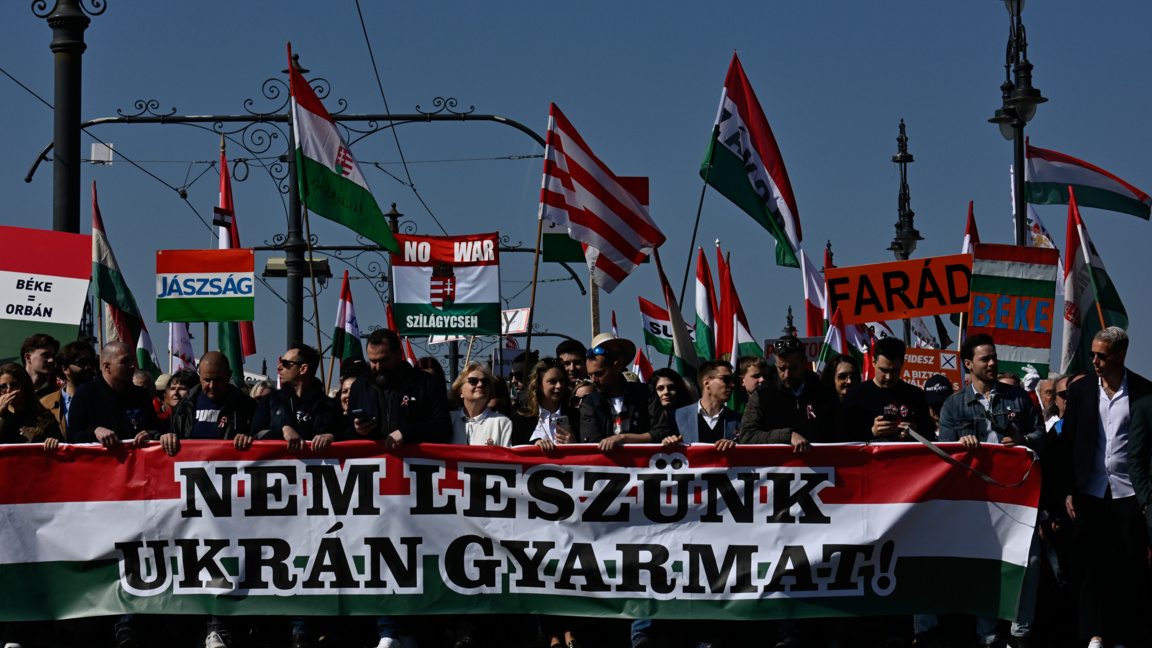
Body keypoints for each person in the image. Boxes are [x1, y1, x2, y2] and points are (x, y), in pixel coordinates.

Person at [936, 334, 1044, 648]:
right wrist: (959, 446)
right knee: (986, 564)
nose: (993, 363)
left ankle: (1020, 633)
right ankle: (989, 635)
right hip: (978, 500)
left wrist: (1025, 439)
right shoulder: (954, 405)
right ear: (968, 364)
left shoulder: (1019, 398)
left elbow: (1041, 435)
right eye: (985, 359)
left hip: (1018, 496)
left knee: (1030, 562)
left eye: (994, 357)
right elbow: (943, 454)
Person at [1057, 327, 1152, 648]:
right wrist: (1068, 489)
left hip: (1130, 494)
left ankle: (1123, 634)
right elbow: (1067, 442)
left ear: (1121, 355)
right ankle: (1094, 633)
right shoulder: (1082, 391)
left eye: (1102, 355)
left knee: (1127, 567)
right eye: (1092, 355)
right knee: (1089, 566)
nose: (1095, 360)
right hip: (1090, 491)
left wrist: (1146, 494)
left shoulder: (1143, 391)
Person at [345, 328, 451, 447]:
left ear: (399, 355)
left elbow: (444, 427)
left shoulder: (426, 383)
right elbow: (346, 432)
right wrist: (357, 430)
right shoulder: (359, 387)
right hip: (373, 464)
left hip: (415, 463)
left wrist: (407, 432)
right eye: (373, 361)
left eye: (384, 360)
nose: (378, 367)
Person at [740, 336, 844, 449]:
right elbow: (747, 437)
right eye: (782, 369)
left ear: (804, 362)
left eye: (793, 368)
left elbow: (841, 438)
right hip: (778, 465)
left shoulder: (826, 394)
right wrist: (787, 436)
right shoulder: (762, 394)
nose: (787, 375)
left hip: (819, 465)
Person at [579, 334, 669, 451]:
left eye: (599, 374)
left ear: (617, 366)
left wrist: (623, 438)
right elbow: (592, 445)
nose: (594, 380)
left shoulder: (645, 392)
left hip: (644, 465)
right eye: (590, 375)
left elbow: (661, 432)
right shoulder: (589, 402)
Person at [161, 351, 258, 457]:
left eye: (217, 380)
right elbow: (171, 431)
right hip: (190, 468)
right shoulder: (184, 405)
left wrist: (249, 438)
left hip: (228, 468)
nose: (212, 385)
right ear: (199, 375)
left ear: (229, 375)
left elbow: (261, 436)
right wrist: (167, 436)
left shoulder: (246, 405)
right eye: (207, 380)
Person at [251, 344, 342, 457]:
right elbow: (254, 435)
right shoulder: (269, 401)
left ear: (303, 369)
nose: (279, 367)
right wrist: (283, 431)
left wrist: (331, 437)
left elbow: (348, 438)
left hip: (317, 471)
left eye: (285, 363)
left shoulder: (331, 406)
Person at [67, 341, 157, 448]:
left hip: (137, 462)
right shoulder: (86, 393)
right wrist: (94, 432)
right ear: (107, 367)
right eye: (125, 361)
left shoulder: (141, 395)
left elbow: (156, 429)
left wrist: (150, 435)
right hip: (102, 463)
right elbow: (72, 438)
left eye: (133, 360)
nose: (132, 366)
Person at [842, 336, 933, 442]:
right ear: (873, 362)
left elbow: (930, 438)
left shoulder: (916, 395)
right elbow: (844, 440)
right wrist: (872, 432)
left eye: (894, 371)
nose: (888, 377)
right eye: (884, 370)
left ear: (902, 364)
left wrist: (915, 434)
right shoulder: (854, 396)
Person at [664, 360, 740, 450]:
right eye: (726, 379)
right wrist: (666, 442)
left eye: (733, 380)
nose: (732, 385)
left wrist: (736, 446)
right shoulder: (676, 417)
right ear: (707, 383)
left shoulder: (739, 420)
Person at [511, 358, 578, 449]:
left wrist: (575, 444)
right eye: (552, 381)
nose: (559, 386)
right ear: (539, 384)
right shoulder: (522, 416)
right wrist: (534, 444)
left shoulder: (576, 416)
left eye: (562, 380)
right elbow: (514, 448)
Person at [40, 340, 96, 440]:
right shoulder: (45, 404)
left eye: (91, 362)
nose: (88, 367)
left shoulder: (102, 398)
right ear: (65, 369)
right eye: (82, 363)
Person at [0, 363, 63, 449]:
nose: (8, 390)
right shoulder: (2, 414)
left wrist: (53, 443)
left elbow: (61, 448)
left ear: (24, 386)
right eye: (3, 387)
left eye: (14, 385)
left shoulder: (44, 418)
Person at [450, 362, 513, 447]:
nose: (480, 385)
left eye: (485, 382)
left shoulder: (502, 423)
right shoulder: (449, 420)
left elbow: (506, 458)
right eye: (473, 381)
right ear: (460, 391)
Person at [20, 333, 59, 399]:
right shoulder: (9, 388)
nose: (51, 360)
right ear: (28, 357)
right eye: (46, 355)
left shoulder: (55, 395)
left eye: (53, 356)